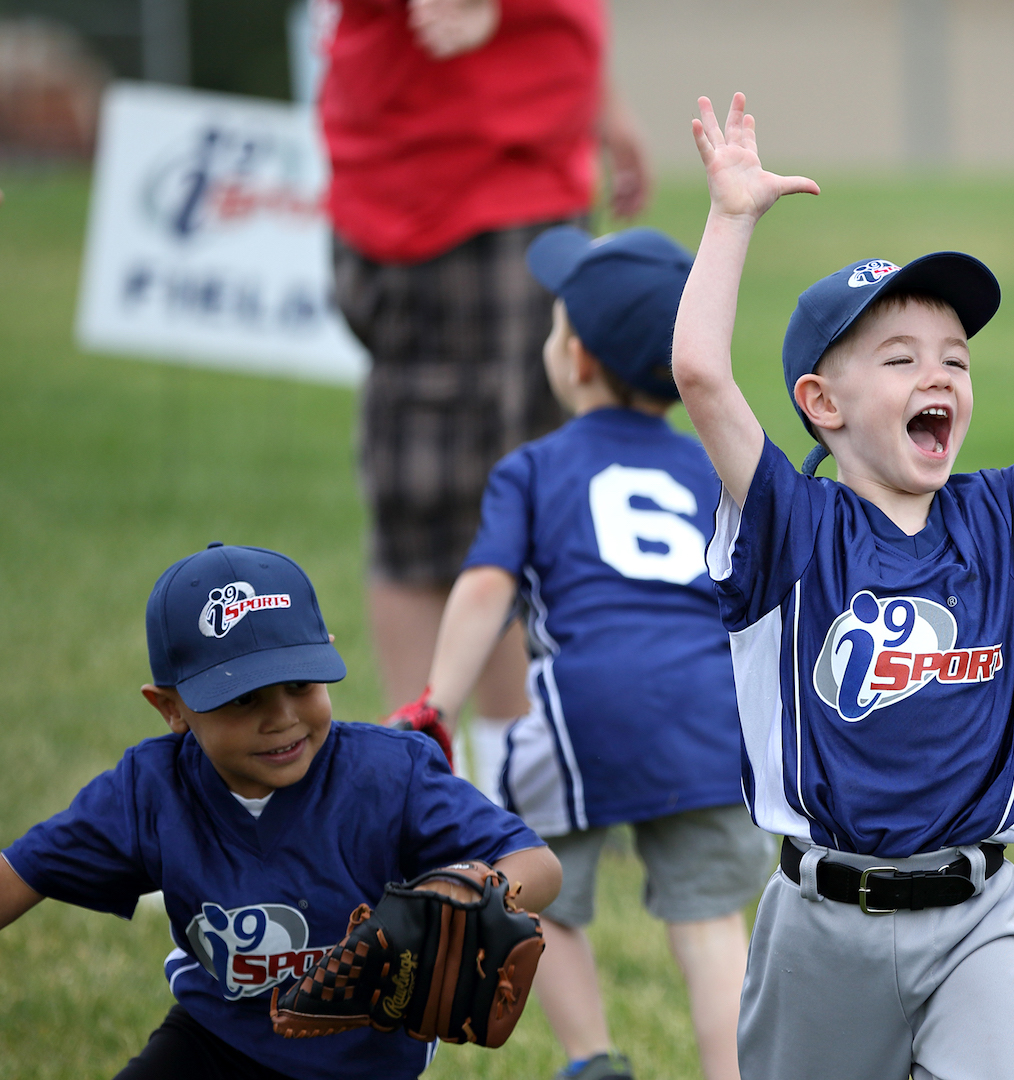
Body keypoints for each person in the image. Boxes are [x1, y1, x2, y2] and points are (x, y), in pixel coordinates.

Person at [671, 94, 1014, 1080]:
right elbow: (699, 372)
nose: (935, 374)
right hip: (817, 929)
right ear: (821, 405)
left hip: (975, 920)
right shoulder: (792, 525)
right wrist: (731, 217)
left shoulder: (1013, 516)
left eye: (953, 358)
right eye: (898, 359)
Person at [388, 226, 771, 1080]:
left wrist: (437, 703)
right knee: (709, 924)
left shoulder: (533, 468)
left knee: (538, 891)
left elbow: (487, 588)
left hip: (586, 710)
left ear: (578, 356)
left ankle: (593, 1058)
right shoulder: (713, 465)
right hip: (710, 716)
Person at [0, 543, 561, 1080]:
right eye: (243, 698)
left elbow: (538, 865)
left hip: (363, 1066)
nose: (282, 717)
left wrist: (469, 892)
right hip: (215, 1041)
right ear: (172, 708)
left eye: (300, 683)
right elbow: (21, 874)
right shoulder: (150, 791)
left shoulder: (390, 774)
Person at [318, 0, 654, 740]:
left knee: (524, 496)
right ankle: (421, 787)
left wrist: (599, 97)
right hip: (445, 182)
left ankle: (514, 779)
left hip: (533, 163)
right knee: (433, 507)